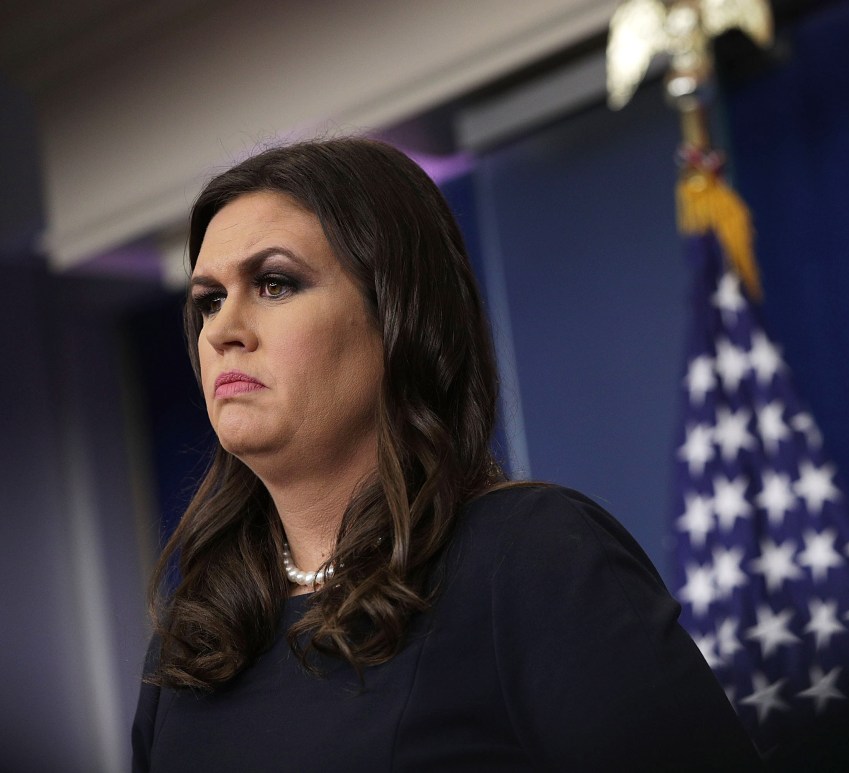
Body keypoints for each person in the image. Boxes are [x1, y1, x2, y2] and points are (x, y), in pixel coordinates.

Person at [130, 137, 760, 771]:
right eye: (208, 300)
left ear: (399, 315)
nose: (222, 329)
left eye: (274, 284)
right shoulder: (193, 641)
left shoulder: (528, 559)